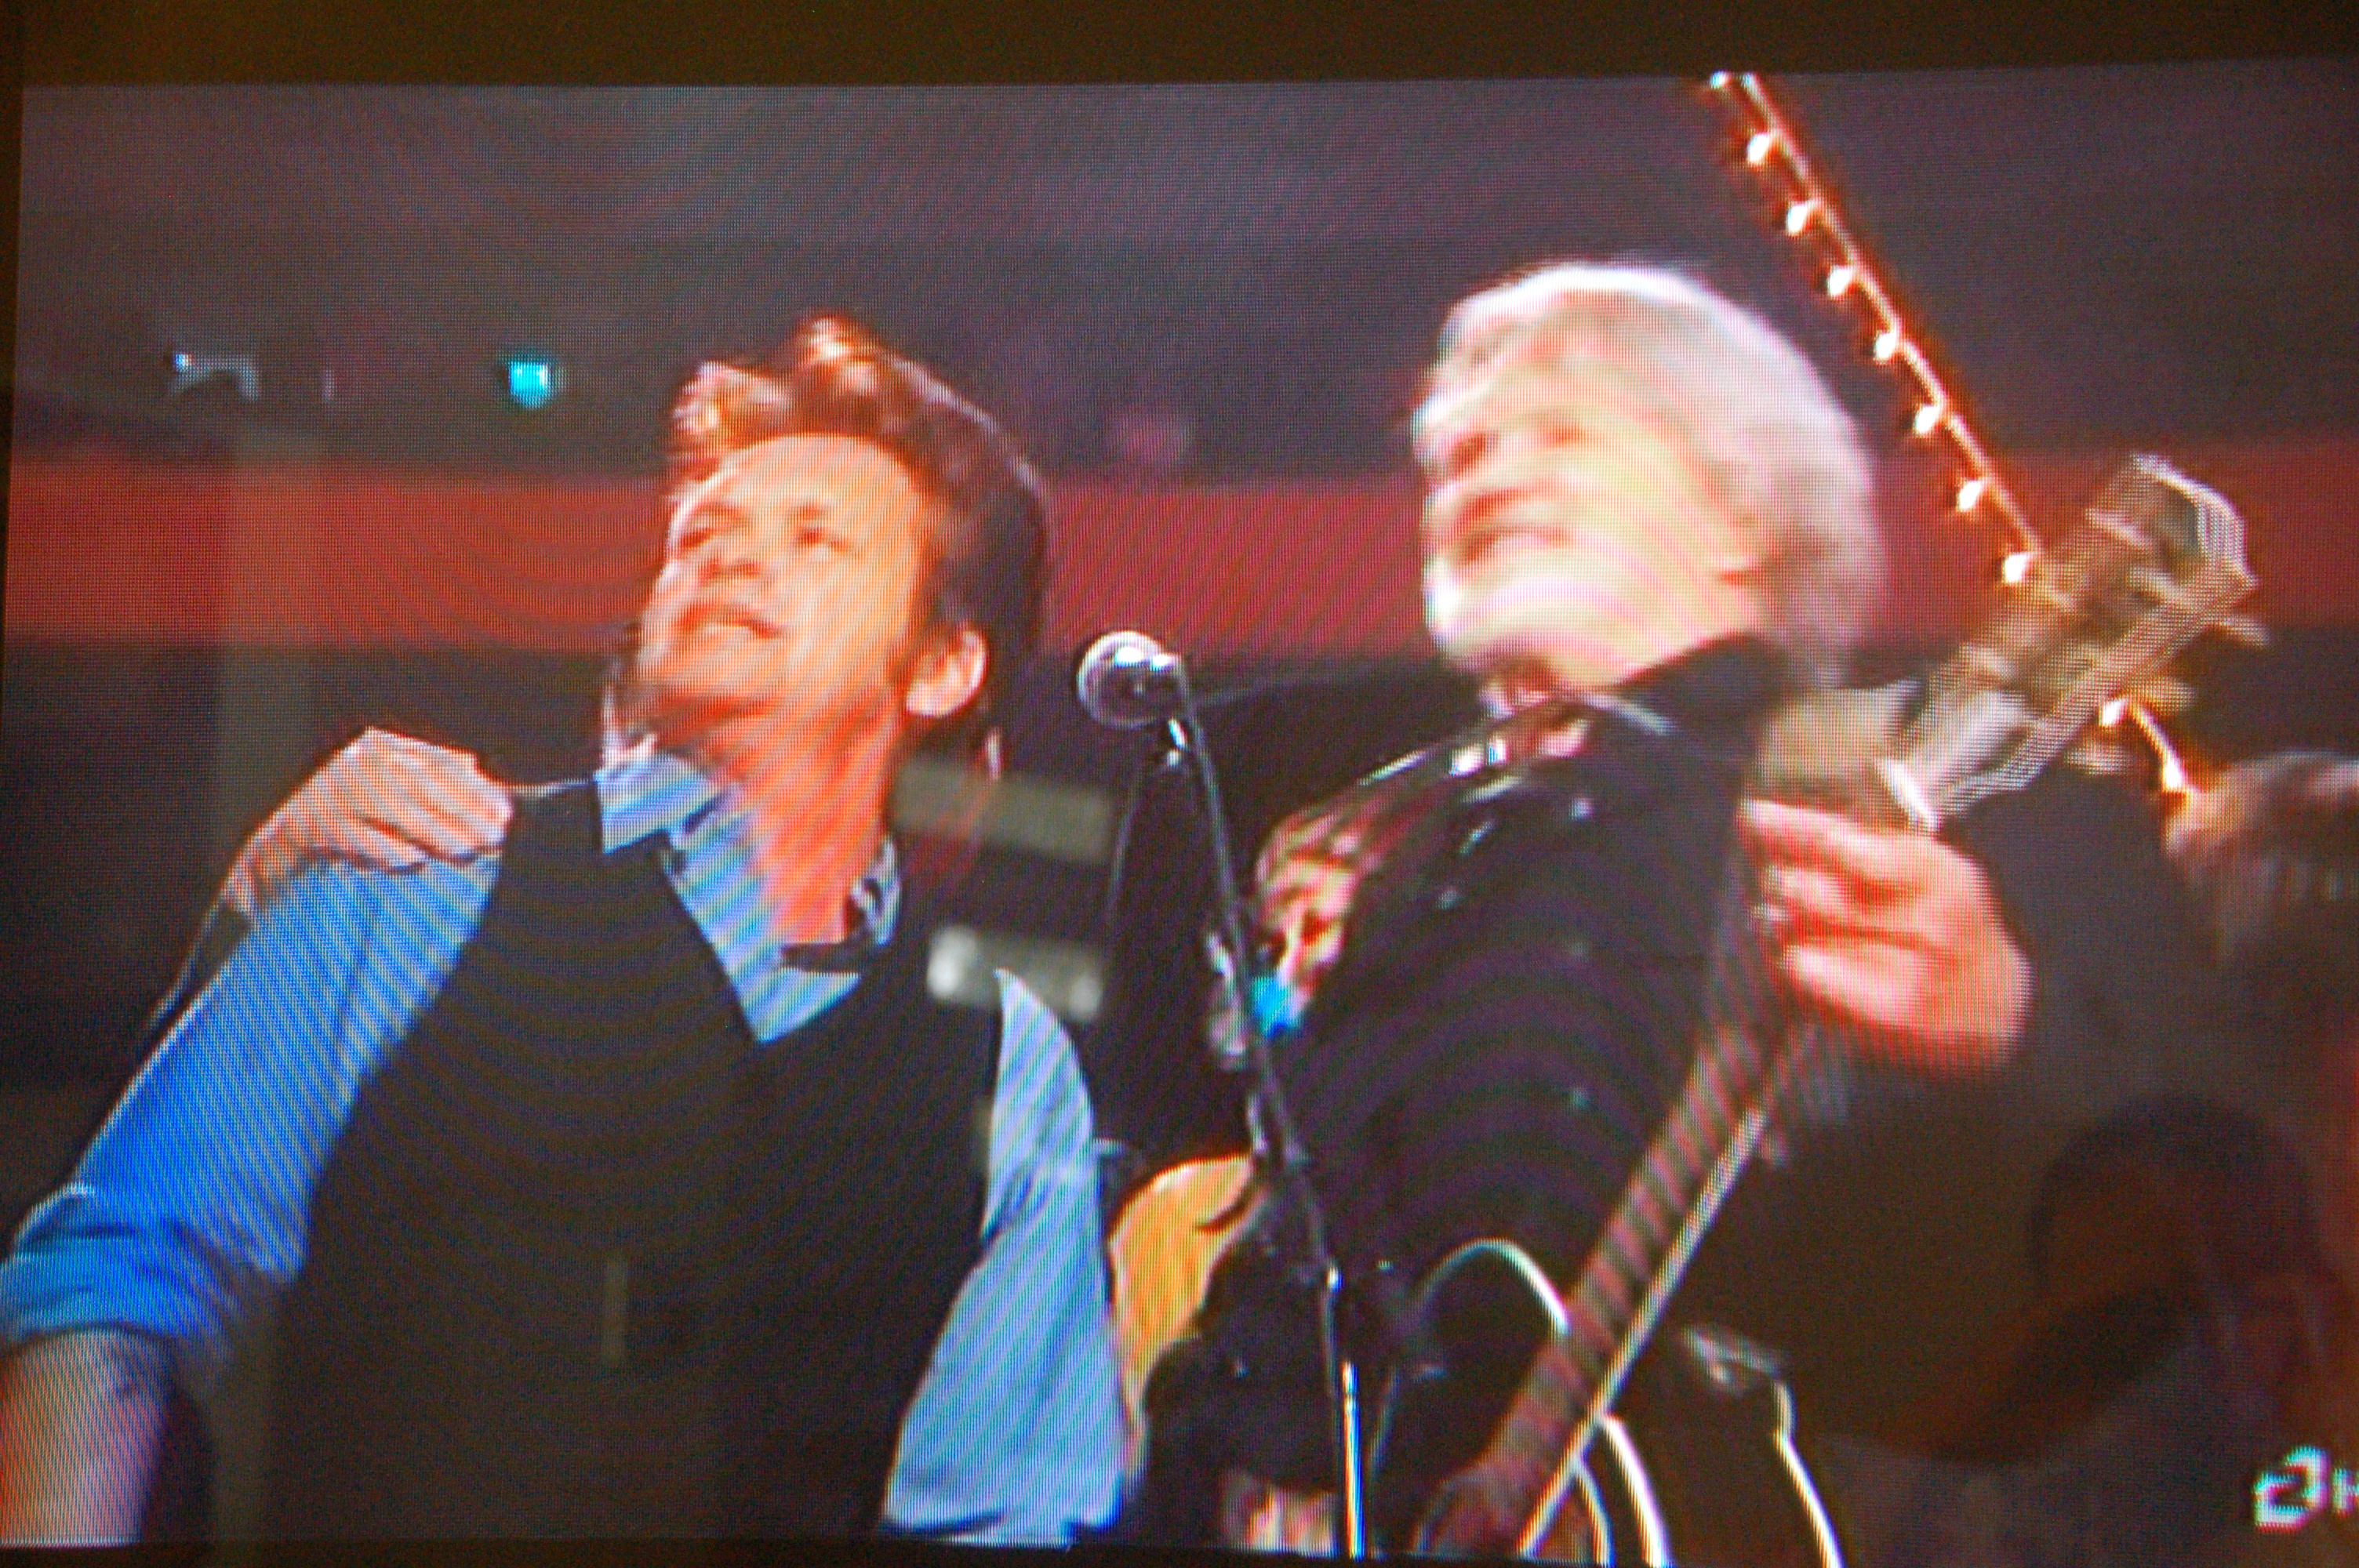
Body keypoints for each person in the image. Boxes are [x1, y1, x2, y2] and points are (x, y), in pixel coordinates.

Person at [1125, 261, 2257, 1559]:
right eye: (1461, 452)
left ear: (1744, 514)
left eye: (1563, 430)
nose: (1488, 474)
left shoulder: (1934, 796)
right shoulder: (1406, 879)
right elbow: (1286, 1308)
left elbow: (2222, 1230)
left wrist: (2008, 1027)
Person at [0, 318, 1125, 1544]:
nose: (732, 560)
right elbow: (107, 1291)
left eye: (814, 539)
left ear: (943, 665)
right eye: (701, 535)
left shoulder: (1009, 1066)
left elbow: (1003, 1516)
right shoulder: (412, 884)